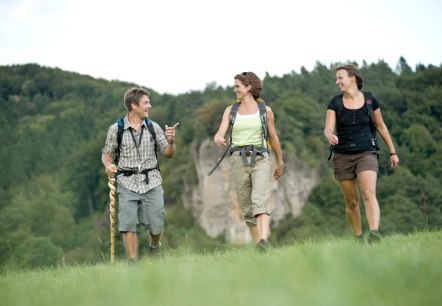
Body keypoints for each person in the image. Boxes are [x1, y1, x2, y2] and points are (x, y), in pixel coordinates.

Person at [101, 87, 179, 262]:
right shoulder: (116, 129)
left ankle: (154, 247)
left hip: (151, 181)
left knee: (157, 224)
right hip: (126, 182)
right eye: (145, 103)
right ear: (133, 105)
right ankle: (133, 263)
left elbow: (168, 153)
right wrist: (109, 165)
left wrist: (172, 141)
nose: (149, 106)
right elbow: (107, 153)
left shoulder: (153, 127)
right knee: (128, 225)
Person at [324, 64, 399, 243]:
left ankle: (374, 233)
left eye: (340, 77)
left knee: (368, 193)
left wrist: (392, 151)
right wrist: (329, 135)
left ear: (352, 78)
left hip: (367, 152)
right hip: (343, 155)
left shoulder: (370, 100)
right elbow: (328, 127)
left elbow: (381, 126)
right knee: (351, 202)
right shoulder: (335, 102)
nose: (337, 81)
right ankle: (358, 237)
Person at [214, 72, 283, 252]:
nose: (234, 89)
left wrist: (280, 162)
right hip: (238, 159)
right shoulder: (231, 110)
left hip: (260, 157)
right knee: (247, 208)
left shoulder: (265, 111)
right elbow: (220, 132)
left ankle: (263, 240)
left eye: (237, 86)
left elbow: (273, 137)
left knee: (259, 200)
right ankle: (259, 248)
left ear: (249, 87)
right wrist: (218, 138)